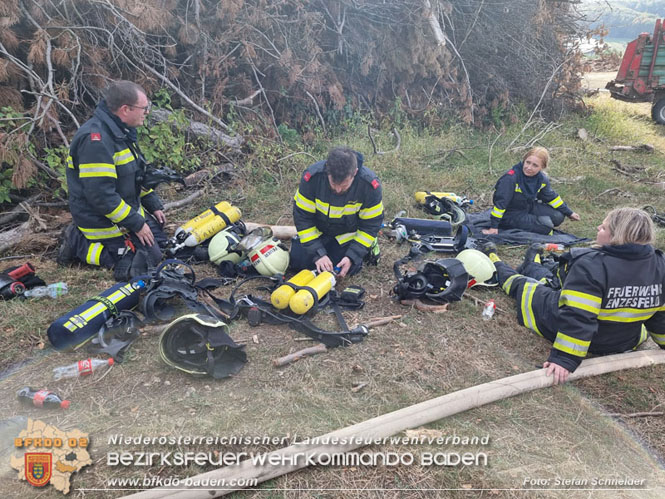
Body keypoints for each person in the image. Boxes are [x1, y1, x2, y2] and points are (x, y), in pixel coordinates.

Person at [480, 207, 665, 385]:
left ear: (616, 236)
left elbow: (579, 316)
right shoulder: (660, 265)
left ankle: (494, 260)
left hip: (581, 337)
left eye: (603, 227)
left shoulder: (591, 266)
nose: (598, 228)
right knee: (549, 279)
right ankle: (533, 259)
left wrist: (564, 359)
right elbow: (660, 315)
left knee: (524, 286)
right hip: (624, 340)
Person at [57, 80, 167, 272]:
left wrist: (152, 204)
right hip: (98, 218)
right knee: (139, 262)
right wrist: (136, 224)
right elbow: (101, 196)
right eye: (144, 108)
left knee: (162, 246)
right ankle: (77, 242)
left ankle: (129, 236)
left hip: (123, 210)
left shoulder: (122, 131)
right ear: (125, 109)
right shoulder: (95, 141)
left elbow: (136, 175)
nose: (147, 112)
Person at [290, 147, 383, 277]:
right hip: (320, 232)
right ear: (328, 171)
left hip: (347, 236)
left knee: (340, 268)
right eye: (334, 184)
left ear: (355, 173)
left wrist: (352, 256)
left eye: (344, 185)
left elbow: (370, 226)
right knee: (299, 263)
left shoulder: (369, 186)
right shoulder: (312, 179)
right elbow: (303, 219)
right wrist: (318, 254)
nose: (338, 190)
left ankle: (367, 248)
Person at [482, 147, 580, 236]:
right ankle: (536, 224)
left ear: (542, 167)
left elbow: (552, 198)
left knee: (558, 216)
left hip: (527, 207)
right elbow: (500, 204)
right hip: (510, 214)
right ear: (524, 161)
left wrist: (569, 213)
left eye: (535, 165)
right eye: (528, 162)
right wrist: (494, 227)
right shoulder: (511, 178)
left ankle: (534, 221)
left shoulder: (541, 179)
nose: (529, 168)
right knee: (547, 226)